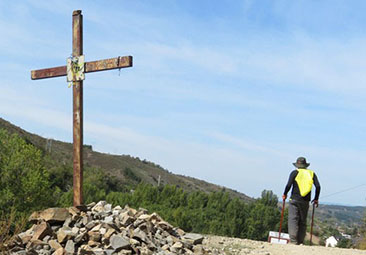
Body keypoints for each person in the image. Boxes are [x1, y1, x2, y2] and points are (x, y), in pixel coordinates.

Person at [282, 156, 321, 245]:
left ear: (297, 165)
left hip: (294, 199)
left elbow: (288, 185)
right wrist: (316, 199)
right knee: (302, 221)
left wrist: (285, 194)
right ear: (305, 165)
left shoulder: (294, 172)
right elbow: (318, 186)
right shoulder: (312, 173)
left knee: (293, 219)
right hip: (305, 201)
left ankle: (293, 241)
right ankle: (300, 241)